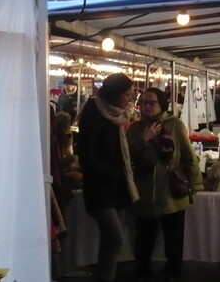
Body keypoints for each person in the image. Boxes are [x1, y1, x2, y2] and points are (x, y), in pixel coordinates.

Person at [127, 87, 203, 281]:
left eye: (152, 102)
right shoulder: (135, 128)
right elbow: (126, 154)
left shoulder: (175, 125)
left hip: (171, 190)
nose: (147, 107)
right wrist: (145, 138)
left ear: (161, 104)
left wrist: (195, 183)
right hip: (144, 191)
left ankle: (173, 272)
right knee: (144, 237)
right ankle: (142, 271)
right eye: (144, 103)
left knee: (174, 237)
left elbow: (188, 155)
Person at [76, 73, 139, 282]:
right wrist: (112, 173)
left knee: (110, 241)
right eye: (127, 95)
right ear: (115, 93)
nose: (130, 99)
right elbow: (88, 154)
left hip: (118, 188)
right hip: (100, 188)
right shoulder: (93, 113)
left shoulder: (118, 115)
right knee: (114, 238)